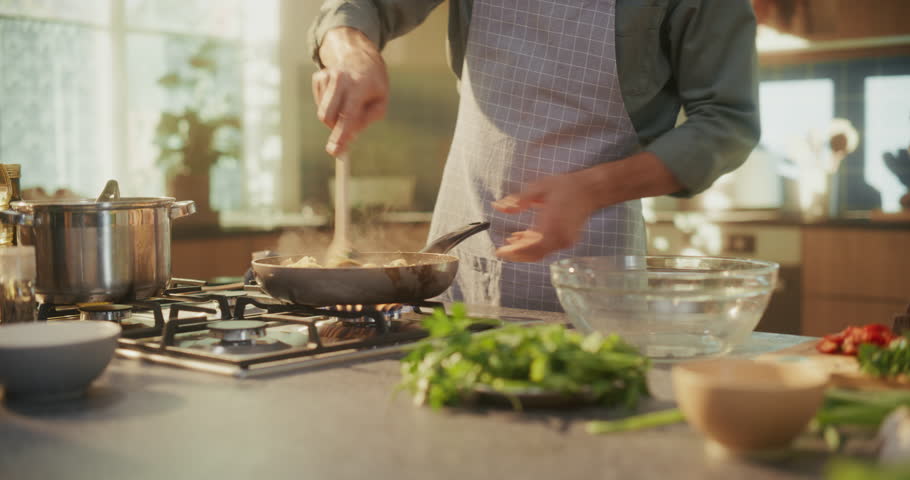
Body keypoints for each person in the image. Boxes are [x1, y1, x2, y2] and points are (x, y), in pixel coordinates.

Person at [308, 0, 760, 311]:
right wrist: (350, 48)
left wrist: (593, 189)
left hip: (598, 268)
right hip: (459, 251)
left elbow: (727, 121)